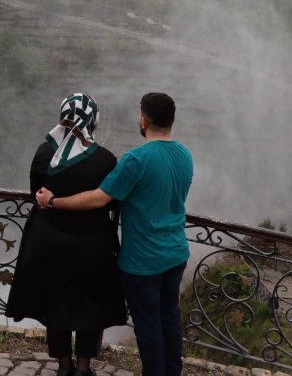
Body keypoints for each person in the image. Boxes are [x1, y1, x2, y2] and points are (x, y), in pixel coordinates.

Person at [36, 92, 193, 376]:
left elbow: (99, 199)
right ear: (171, 121)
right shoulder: (185, 155)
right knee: (170, 317)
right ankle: (173, 371)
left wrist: (53, 202)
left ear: (143, 119)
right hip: (176, 253)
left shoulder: (136, 160)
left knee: (148, 327)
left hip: (144, 260)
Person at [5, 93, 127, 376]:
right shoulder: (106, 160)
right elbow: (113, 200)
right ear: (92, 121)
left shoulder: (44, 153)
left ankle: (63, 365)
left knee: (55, 302)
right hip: (91, 244)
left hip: (48, 240)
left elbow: (35, 193)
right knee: (90, 305)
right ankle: (83, 368)